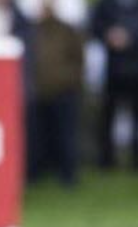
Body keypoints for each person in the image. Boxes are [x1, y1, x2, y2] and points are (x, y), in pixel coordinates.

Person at [91, 0, 138, 170]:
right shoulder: (106, 5)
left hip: (137, 68)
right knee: (108, 114)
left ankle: (137, 158)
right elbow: (95, 26)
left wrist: (132, 39)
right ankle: (106, 158)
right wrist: (109, 36)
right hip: (112, 68)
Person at [31, 0, 84, 186]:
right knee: (37, 137)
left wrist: (69, 81)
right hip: (38, 91)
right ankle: (35, 173)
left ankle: (68, 176)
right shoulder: (32, 30)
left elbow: (78, 59)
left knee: (65, 136)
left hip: (64, 91)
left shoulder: (67, 30)